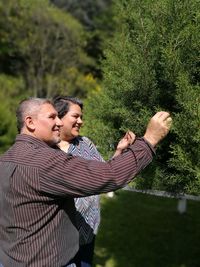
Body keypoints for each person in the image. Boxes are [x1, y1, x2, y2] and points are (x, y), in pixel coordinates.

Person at [0, 97, 171, 267]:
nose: (59, 122)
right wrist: (149, 141)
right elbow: (109, 174)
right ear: (30, 122)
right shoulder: (45, 161)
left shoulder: (6, 159)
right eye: (52, 117)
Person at [53, 96, 136, 267]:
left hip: (88, 230)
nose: (81, 121)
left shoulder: (85, 144)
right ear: (59, 117)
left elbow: (104, 174)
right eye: (75, 116)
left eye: (81, 117)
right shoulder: (45, 149)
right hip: (58, 237)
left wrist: (119, 150)